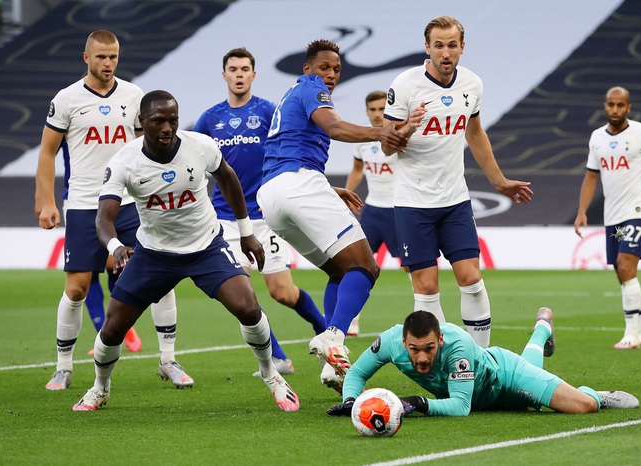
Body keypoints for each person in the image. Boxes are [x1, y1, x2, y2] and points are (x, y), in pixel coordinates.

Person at [72, 90, 300, 412]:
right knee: (112, 328)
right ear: (142, 122)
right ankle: (100, 388)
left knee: (248, 306)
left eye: (173, 120)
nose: (167, 128)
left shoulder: (199, 146)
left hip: (206, 246)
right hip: (153, 253)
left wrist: (246, 233)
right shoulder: (125, 160)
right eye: (158, 121)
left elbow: (228, 178)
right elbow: (103, 217)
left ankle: (272, 375)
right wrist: (116, 246)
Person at [257, 39, 419, 390]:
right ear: (308, 69)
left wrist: (329, 189)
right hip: (300, 185)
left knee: (339, 269)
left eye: (336, 70)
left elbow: (286, 153)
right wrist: (382, 131)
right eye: (324, 67)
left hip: (271, 196)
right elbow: (334, 127)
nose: (330, 75)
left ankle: (334, 358)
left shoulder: (290, 96)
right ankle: (332, 338)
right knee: (365, 267)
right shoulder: (312, 90)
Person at [35, 30, 191, 391]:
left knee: (161, 279)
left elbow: (147, 149)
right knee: (76, 288)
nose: (108, 64)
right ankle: (63, 367)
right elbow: (47, 152)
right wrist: (44, 202)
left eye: (114, 57)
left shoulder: (134, 96)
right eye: (102, 57)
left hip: (131, 203)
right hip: (85, 205)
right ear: (86, 58)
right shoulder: (67, 99)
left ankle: (168, 359)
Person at [381, 15, 533, 348]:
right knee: (426, 288)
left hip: (454, 202)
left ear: (463, 47)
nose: (446, 53)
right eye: (439, 46)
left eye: (452, 45)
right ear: (427, 48)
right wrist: (405, 129)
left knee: (472, 279)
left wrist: (499, 180)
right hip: (413, 204)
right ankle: (443, 361)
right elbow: (386, 145)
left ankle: (480, 360)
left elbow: (475, 133)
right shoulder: (405, 86)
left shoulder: (472, 84)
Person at [193, 47, 326, 376]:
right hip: (224, 221)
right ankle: (278, 358)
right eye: (233, 69)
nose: (239, 74)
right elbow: (193, 166)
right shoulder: (209, 120)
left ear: (254, 75)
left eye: (244, 69)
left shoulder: (269, 112)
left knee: (282, 292)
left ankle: (326, 332)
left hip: (265, 217)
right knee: (241, 296)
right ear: (224, 75)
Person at [328, 309, 639, 417]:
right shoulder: (390, 342)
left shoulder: (459, 345)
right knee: (536, 368)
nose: (421, 357)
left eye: (429, 348)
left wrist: (417, 403)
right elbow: (356, 373)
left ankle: (597, 394)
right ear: (404, 342)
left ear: (441, 340)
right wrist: (352, 401)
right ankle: (543, 328)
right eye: (414, 349)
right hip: (488, 392)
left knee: (582, 406)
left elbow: (461, 406)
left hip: (507, 377)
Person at [574, 86, 641, 350]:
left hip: (637, 211)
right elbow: (591, 176)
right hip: (614, 218)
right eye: (611, 104)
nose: (615, 110)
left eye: (621, 105)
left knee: (625, 266)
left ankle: (631, 333)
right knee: (622, 273)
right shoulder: (597, 138)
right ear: (605, 105)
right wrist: (582, 211)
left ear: (628, 108)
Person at [60, 140, 142, 353]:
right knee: (83, 276)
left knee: (115, 263)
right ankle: (104, 330)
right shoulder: (70, 113)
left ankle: (118, 324)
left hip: (119, 196)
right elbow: (50, 150)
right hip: (78, 199)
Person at [344, 90, 411, 337]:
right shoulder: (363, 140)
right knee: (357, 264)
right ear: (366, 111)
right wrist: (346, 194)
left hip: (398, 211)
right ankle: (351, 322)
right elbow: (357, 169)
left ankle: (428, 315)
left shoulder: (399, 136)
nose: (377, 114)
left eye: (382, 109)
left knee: (411, 266)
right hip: (372, 211)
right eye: (372, 109)